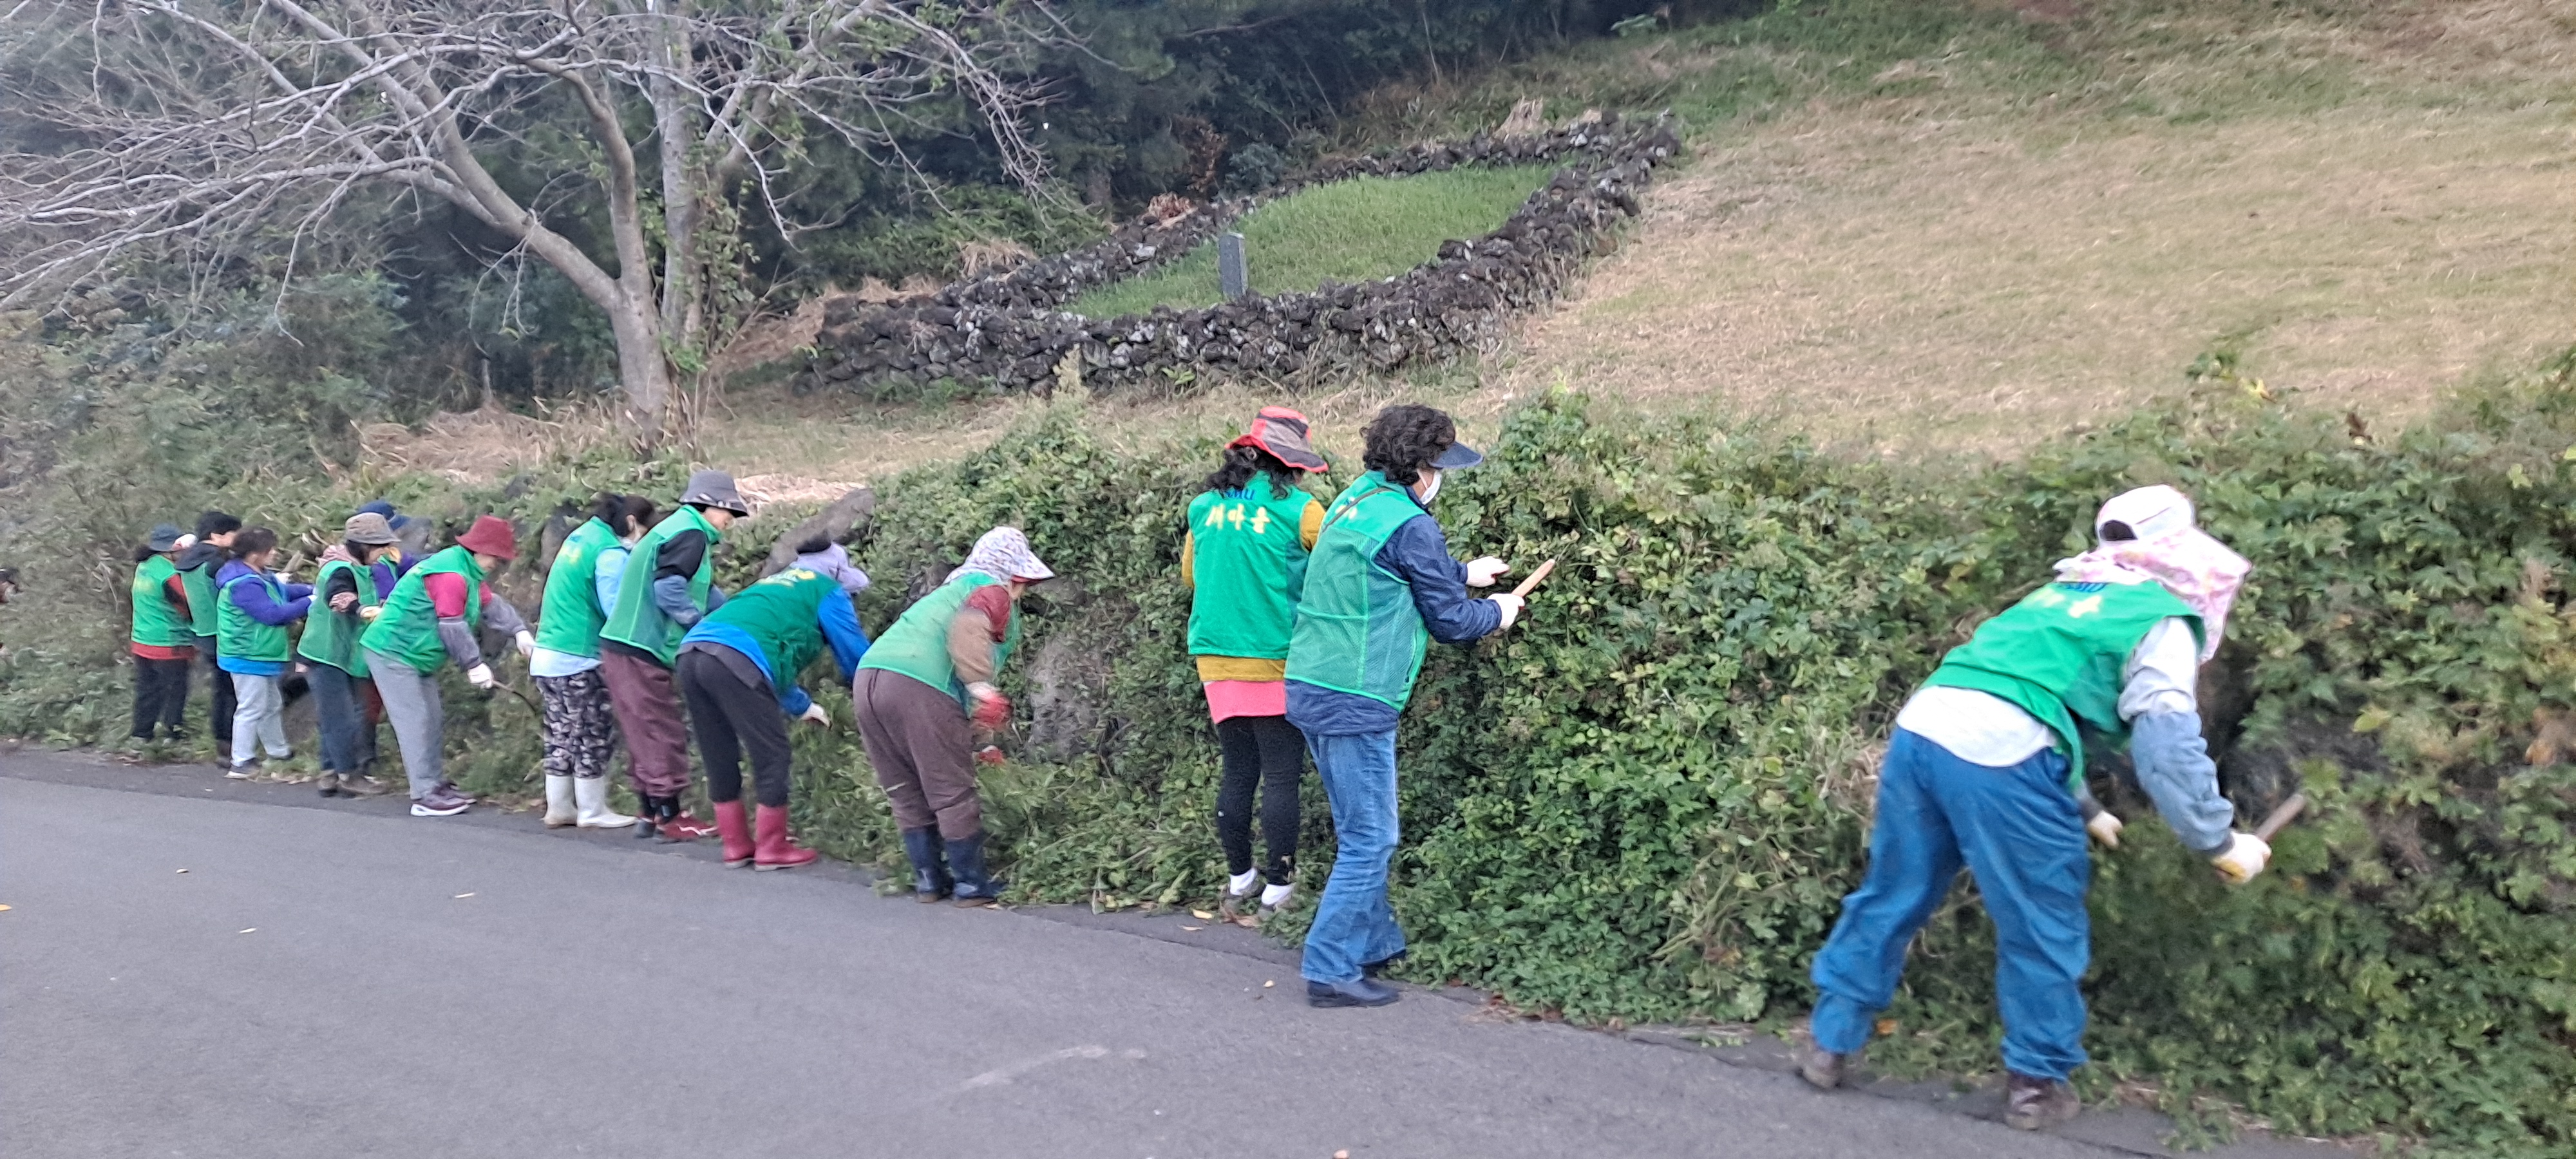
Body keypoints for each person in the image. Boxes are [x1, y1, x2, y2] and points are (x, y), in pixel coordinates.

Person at [1797, 485, 2264, 1131]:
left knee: (1893, 890)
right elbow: (2165, 747)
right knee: (2038, 917)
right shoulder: (2159, 618)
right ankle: (2036, 1084)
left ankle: (1830, 1042)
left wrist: (2082, 808)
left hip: (1924, 729)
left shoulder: (2062, 590)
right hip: (2003, 757)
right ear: (2187, 553)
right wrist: (2219, 841)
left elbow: (2027, 694)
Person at [1285, 404, 1521, 1008]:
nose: (1442, 479)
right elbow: (1449, 622)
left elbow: (1388, 571)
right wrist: (1500, 610)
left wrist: (1464, 571)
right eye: (1440, 467)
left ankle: (1374, 943)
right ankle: (1331, 969)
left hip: (1312, 681)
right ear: (1421, 468)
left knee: (1360, 830)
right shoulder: (1412, 524)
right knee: (1371, 838)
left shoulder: (1356, 499)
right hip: (1356, 695)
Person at [1182, 407, 1329, 921]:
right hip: (1273, 657)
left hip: (1215, 659)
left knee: (1238, 768)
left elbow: (1191, 577)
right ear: (1288, 464)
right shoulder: (1302, 511)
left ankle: (1239, 880)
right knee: (1283, 775)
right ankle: (1280, 889)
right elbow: (1335, 575)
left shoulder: (1203, 507)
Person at [853, 526, 1053, 906]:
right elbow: (968, 631)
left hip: (869, 680)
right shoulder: (990, 589)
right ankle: (970, 884)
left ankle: (930, 881)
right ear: (1016, 576)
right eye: (1024, 583)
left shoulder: (944, 594)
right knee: (950, 790)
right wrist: (982, 688)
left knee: (905, 786)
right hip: (920, 685)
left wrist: (977, 740)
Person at [677, 558, 871, 869]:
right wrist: (871, 696)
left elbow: (770, 658)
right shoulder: (830, 593)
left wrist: (803, 706)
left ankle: (736, 845)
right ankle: (771, 846)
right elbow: (855, 657)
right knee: (772, 754)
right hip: (736, 658)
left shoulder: (772, 588)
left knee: (718, 752)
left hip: (692, 653)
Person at [599, 470, 751, 842]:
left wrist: (736, 618)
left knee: (641, 731)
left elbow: (705, 589)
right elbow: (669, 590)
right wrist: (700, 627)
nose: (731, 520)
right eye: (728, 512)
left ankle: (648, 814)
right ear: (708, 506)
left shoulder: (675, 528)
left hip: (622, 646)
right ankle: (672, 816)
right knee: (661, 730)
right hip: (642, 647)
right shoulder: (692, 533)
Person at [359, 516, 533, 818]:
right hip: (392, 651)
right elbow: (451, 625)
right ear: (479, 550)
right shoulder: (451, 575)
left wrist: (519, 630)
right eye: (496, 556)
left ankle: (436, 783)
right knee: (415, 720)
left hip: (418, 655)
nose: (498, 564)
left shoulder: (467, 570)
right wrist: (474, 664)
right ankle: (424, 796)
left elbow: (491, 605)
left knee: (433, 716)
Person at [529, 493, 658, 829]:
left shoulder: (580, 537)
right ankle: (592, 809)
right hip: (579, 656)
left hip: (548, 653)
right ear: (632, 523)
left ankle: (559, 807)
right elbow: (616, 609)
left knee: (560, 732)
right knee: (592, 732)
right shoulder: (610, 552)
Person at [301, 513, 402, 798]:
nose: (384, 551)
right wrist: (360, 608)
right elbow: (338, 597)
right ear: (363, 546)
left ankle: (330, 772)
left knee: (338, 714)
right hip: (327, 652)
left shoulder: (358, 567)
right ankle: (349, 776)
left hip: (343, 652)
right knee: (341, 717)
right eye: (380, 545)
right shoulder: (341, 570)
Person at [214, 527, 313, 776]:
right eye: (271, 550)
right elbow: (272, 615)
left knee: (271, 703)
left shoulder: (258, 575)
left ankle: (278, 751)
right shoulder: (243, 584)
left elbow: (281, 593)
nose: (275, 553)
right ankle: (241, 761)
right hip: (247, 654)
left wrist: (313, 590)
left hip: (261, 653)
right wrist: (310, 603)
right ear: (256, 555)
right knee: (251, 707)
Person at [176, 511, 241, 748]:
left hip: (203, 632)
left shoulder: (187, 561)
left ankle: (221, 740)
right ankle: (232, 742)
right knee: (232, 691)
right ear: (216, 535)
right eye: (235, 534)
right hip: (224, 632)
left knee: (221, 689)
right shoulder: (216, 562)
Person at [128, 523, 197, 743]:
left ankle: (141, 733)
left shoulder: (144, 566)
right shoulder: (170, 575)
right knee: (174, 691)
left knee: (147, 689)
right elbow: (190, 605)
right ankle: (172, 734)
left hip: (142, 639)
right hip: (169, 642)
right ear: (172, 550)